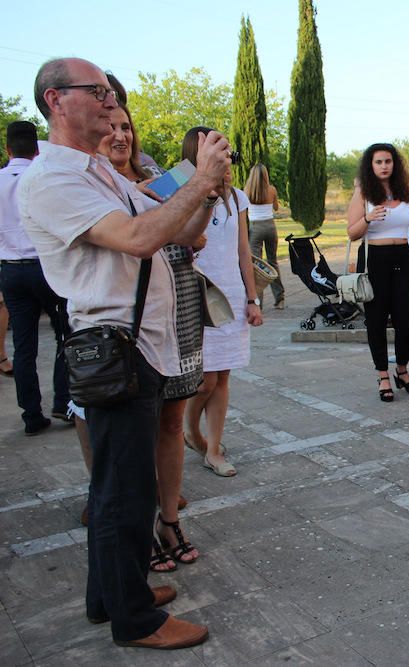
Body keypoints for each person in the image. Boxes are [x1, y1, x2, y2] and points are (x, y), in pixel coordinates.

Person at [20, 57, 224, 649]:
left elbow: (181, 233)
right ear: (56, 101)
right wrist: (196, 178)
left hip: (141, 344)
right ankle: (135, 619)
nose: (112, 103)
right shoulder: (54, 179)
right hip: (114, 345)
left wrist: (208, 188)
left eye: (111, 94)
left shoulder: (98, 174)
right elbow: (139, 240)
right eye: (98, 93)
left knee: (121, 484)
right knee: (122, 490)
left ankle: (110, 593)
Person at [96, 107, 203, 569]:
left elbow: (191, 240)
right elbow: (139, 241)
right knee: (128, 432)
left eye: (126, 127)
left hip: (176, 304)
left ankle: (168, 518)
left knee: (170, 420)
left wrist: (209, 196)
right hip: (123, 323)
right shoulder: (94, 185)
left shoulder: (156, 176)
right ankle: (135, 529)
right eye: (110, 127)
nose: (120, 135)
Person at [183, 127, 262, 477]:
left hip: (230, 293)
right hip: (195, 295)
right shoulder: (179, 188)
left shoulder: (238, 198)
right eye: (216, 151)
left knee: (223, 377)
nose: (224, 158)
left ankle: (213, 449)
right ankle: (190, 429)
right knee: (205, 381)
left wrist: (252, 297)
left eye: (225, 152)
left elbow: (244, 251)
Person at [0, 120, 71, 435]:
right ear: (37, 148)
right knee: (64, 335)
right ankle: (63, 401)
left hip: (11, 269)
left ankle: (31, 413)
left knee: (23, 344)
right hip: (45, 266)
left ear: (7, 148)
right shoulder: (42, 178)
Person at [346, 143, 409, 402]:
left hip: (403, 257)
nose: (384, 166)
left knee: (406, 318)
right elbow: (352, 232)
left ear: (395, 164)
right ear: (371, 165)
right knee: (377, 319)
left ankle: (402, 370)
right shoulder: (364, 193)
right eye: (379, 162)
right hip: (376, 259)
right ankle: (382, 375)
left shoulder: (404, 190)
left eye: (388, 161)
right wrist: (368, 218)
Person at [244, 163, 284, 309]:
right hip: (270, 227)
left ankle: (258, 301)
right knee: (273, 262)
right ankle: (280, 298)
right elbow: (276, 207)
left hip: (256, 228)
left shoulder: (247, 190)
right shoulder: (272, 189)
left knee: (256, 266)